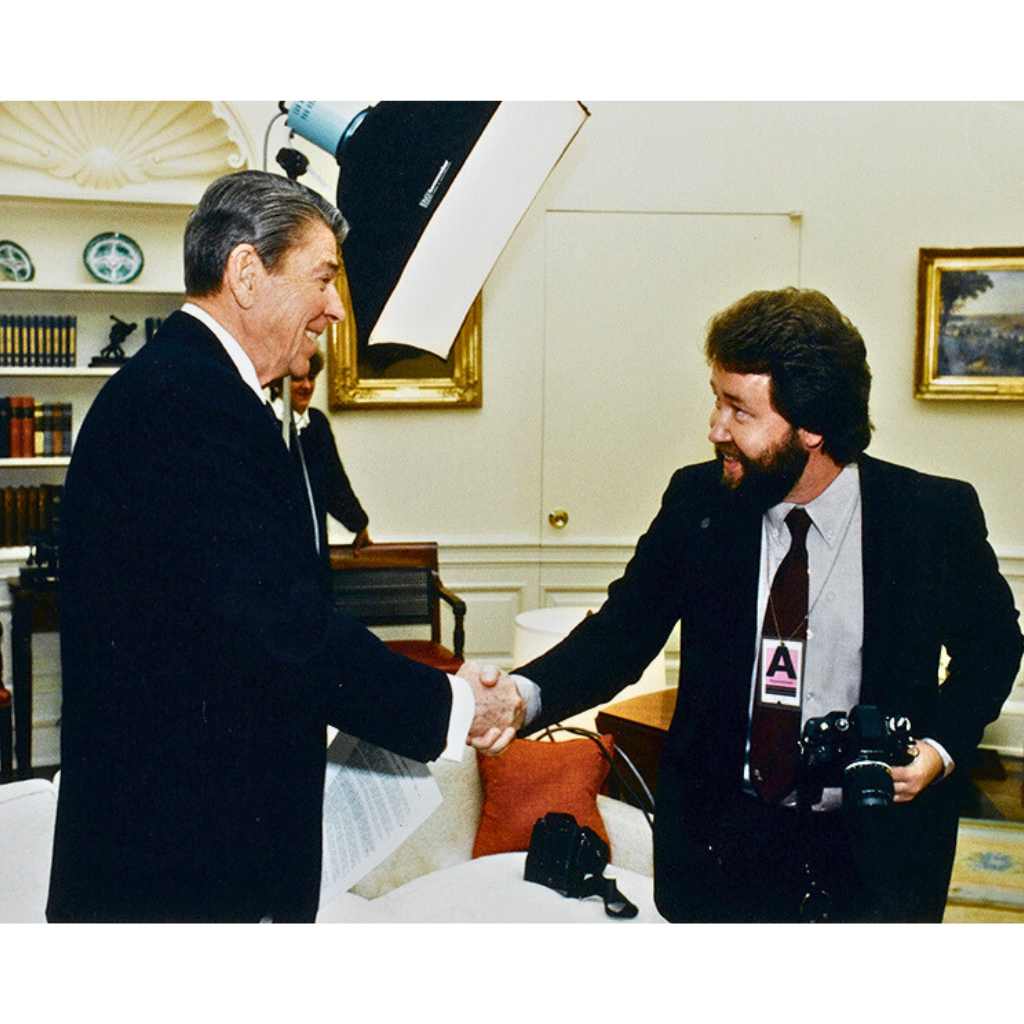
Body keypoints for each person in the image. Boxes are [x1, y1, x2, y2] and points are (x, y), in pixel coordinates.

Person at [47, 170, 522, 923]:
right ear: (245, 272)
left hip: (191, 846)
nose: (336, 307)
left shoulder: (197, 391)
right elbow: (279, 627)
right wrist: (454, 703)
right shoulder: (189, 406)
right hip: (173, 869)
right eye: (323, 278)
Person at [503, 287, 1023, 922]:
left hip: (877, 855)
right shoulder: (698, 501)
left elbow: (994, 649)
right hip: (722, 849)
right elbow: (621, 634)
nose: (715, 428)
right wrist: (521, 695)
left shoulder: (930, 517)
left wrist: (938, 751)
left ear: (811, 427)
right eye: (715, 400)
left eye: (738, 410)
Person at [269, 350, 371, 558]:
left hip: (315, 549)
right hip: (277, 551)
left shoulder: (317, 424)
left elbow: (335, 484)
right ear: (278, 383)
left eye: (311, 378)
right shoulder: (265, 421)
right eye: (298, 379)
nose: (307, 386)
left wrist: (358, 523)